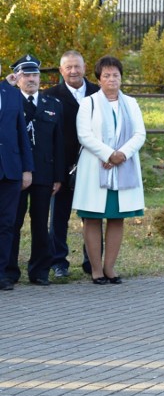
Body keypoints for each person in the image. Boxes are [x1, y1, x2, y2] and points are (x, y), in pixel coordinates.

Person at [72, 56, 146, 284]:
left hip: (123, 166)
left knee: (117, 218)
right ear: (99, 79)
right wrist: (107, 154)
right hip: (95, 168)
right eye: (107, 75)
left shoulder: (131, 103)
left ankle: (110, 268)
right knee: (92, 218)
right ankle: (95, 270)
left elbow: (139, 134)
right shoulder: (89, 102)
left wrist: (120, 155)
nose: (112, 79)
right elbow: (84, 135)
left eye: (115, 75)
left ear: (121, 78)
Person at [7, 55, 63, 286]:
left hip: (44, 173)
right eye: (26, 75)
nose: (31, 79)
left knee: (40, 223)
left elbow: (58, 143)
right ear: (17, 78)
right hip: (15, 173)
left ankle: (40, 270)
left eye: (35, 75)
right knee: (12, 222)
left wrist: (58, 177)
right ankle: (8, 270)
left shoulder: (52, 105)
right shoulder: (8, 102)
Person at [45, 50, 99, 277]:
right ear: (61, 70)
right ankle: (59, 262)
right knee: (58, 217)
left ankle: (92, 262)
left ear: (85, 68)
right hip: (61, 165)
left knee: (92, 217)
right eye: (68, 67)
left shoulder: (98, 93)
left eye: (77, 66)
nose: (73, 71)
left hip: (93, 164)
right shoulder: (50, 95)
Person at [0, 63, 35, 291]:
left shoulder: (11, 94)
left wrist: (26, 169)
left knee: (6, 224)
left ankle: (1, 272)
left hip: (10, 169)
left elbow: (21, 132)